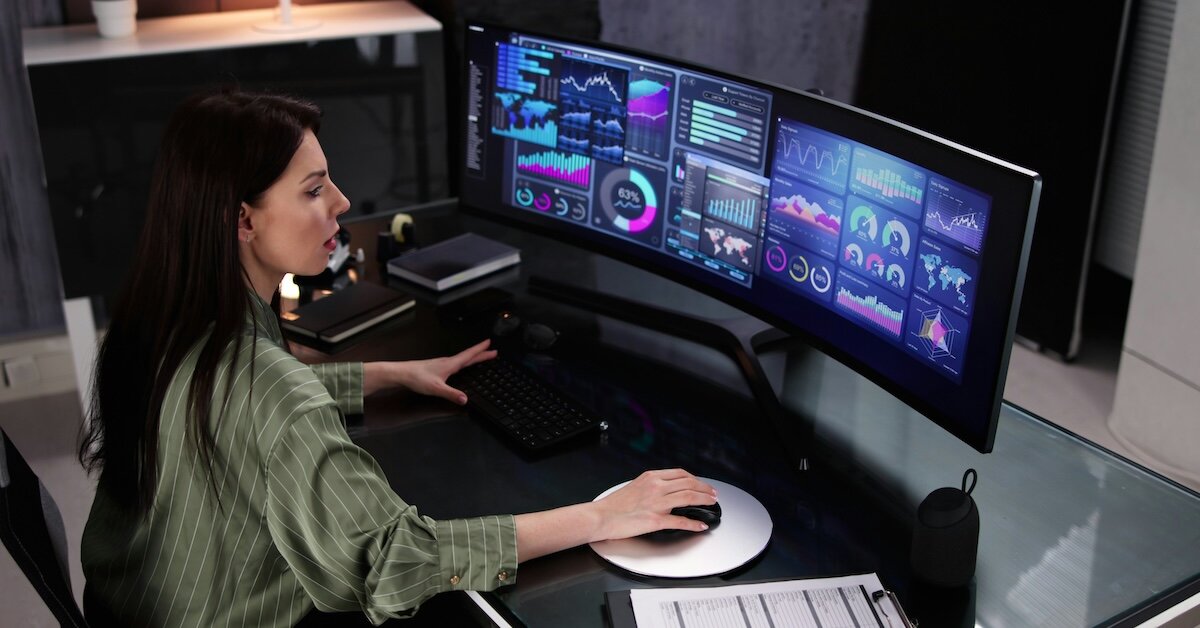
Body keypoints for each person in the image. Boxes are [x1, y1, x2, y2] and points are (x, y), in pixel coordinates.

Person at [77, 87, 717, 627]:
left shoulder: (166, 321)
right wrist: (601, 515)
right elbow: (392, 560)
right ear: (242, 221)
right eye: (313, 190)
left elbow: (252, 408)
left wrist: (388, 375)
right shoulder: (271, 388)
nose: (341, 202)